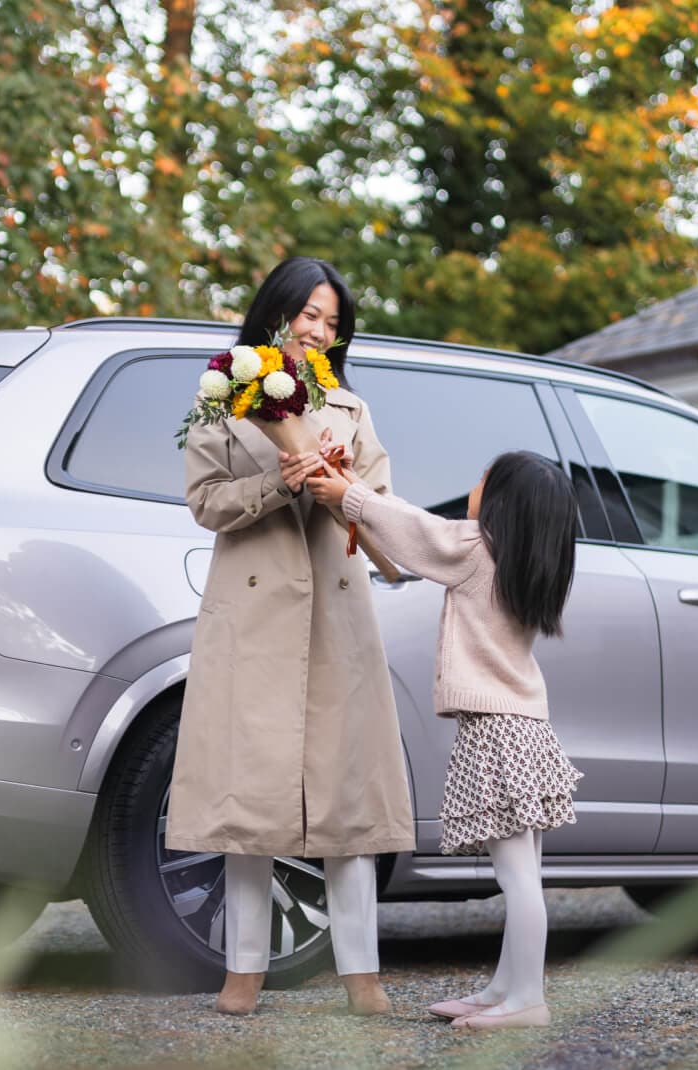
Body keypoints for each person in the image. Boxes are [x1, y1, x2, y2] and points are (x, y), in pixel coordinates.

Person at [165, 257, 415, 1016]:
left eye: (332, 321)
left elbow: (384, 515)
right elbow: (205, 502)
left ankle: (362, 973)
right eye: (308, 313)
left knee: (346, 803)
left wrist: (340, 487)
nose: (319, 330)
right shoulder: (220, 400)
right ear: (275, 314)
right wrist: (282, 478)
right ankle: (244, 971)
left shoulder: (351, 408)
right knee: (249, 804)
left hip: (337, 620)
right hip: (251, 620)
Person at [308, 450, 583, 1030]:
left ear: (505, 503)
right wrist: (359, 486)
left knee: (517, 878)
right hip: (525, 725)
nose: (474, 483)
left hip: (498, 729)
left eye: (484, 478)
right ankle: (505, 989)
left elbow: (416, 532)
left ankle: (527, 1000)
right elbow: (416, 522)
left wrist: (350, 497)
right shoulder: (523, 559)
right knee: (524, 870)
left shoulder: (476, 550)